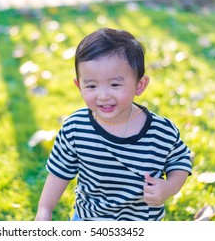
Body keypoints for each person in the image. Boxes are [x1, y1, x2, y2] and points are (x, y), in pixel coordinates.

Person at [35, 27, 192, 221]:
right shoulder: (75, 128)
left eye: (115, 85)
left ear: (139, 85)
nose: (103, 95)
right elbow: (59, 173)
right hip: (88, 220)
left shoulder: (160, 132)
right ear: (79, 86)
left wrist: (168, 188)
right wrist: (44, 209)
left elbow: (181, 162)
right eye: (91, 86)